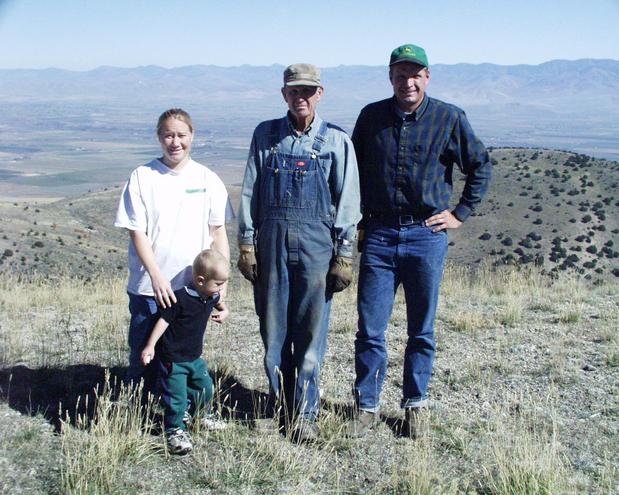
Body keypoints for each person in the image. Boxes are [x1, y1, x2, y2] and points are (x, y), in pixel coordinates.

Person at [348, 44, 492, 438]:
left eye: (415, 74)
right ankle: (367, 406)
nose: (407, 81)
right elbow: (352, 172)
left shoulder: (448, 118)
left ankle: (415, 405)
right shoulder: (371, 117)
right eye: (400, 74)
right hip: (378, 234)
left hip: (426, 235)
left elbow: (479, 165)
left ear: (427, 77)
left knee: (421, 328)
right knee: (370, 327)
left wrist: (459, 213)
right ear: (390, 77)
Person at [237, 63, 361, 441]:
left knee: (310, 333)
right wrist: (246, 243)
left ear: (320, 94)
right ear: (284, 94)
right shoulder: (265, 135)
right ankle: (279, 403)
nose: (301, 97)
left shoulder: (337, 142)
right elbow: (249, 191)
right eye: (294, 91)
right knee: (273, 331)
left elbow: (348, 201)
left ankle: (305, 412)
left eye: (308, 91)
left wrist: (344, 254)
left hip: (317, 248)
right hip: (270, 243)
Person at [115, 108, 230, 393]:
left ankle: (175, 413)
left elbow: (217, 232)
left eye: (181, 135)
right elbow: (136, 231)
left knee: (182, 357)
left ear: (192, 136)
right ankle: (135, 409)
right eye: (168, 135)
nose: (175, 142)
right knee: (144, 352)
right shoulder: (143, 177)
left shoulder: (208, 179)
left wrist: (222, 283)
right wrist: (156, 276)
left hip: (192, 291)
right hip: (150, 288)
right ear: (159, 137)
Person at [140, 249, 229, 455]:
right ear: (200, 280)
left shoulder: (210, 295)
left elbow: (218, 301)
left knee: (206, 388)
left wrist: (224, 310)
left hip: (195, 357)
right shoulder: (179, 298)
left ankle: (199, 414)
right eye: (218, 283)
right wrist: (150, 346)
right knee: (176, 397)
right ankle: (174, 431)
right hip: (173, 359)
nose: (221, 288)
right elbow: (163, 322)